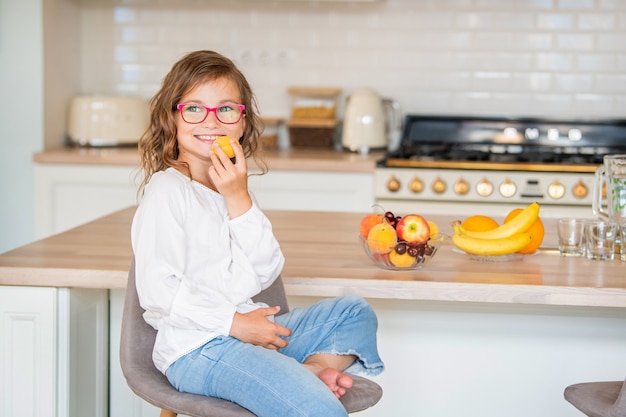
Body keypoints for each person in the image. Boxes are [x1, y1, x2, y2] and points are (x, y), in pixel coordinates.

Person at [130, 50, 384, 417]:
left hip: (251, 329)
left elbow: (266, 269)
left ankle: (307, 371)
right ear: (173, 117)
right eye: (195, 109)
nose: (211, 122)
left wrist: (239, 197)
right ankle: (301, 384)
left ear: (243, 122)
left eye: (227, 109)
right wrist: (235, 325)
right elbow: (158, 290)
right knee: (316, 408)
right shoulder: (167, 191)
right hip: (199, 348)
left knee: (354, 313)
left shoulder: (230, 186)